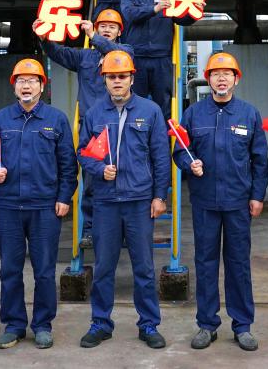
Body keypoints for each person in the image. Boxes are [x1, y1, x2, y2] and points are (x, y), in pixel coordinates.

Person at [172, 52, 268, 351]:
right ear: (208, 80)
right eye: (216, 74)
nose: (222, 78)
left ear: (236, 79)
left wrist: (257, 195)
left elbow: (259, 160)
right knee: (205, 263)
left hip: (238, 202)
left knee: (239, 264)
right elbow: (180, 151)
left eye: (227, 74)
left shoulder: (249, 114)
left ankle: (242, 325)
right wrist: (189, 165)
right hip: (205, 202)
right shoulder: (193, 114)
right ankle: (207, 324)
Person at [77, 50, 171, 350]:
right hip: (105, 202)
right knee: (104, 266)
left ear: (132, 78)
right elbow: (82, 153)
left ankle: (149, 324)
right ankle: (100, 323)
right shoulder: (94, 114)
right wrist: (98, 169)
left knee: (143, 268)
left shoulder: (150, 111)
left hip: (139, 200)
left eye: (122, 76)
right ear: (104, 80)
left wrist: (160, 195)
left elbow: (161, 156)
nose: (117, 81)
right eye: (111, 77)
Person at [0, 59, 78, 350]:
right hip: (9, 207)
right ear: (14, 87)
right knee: (10, 270)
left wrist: (64, 197)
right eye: (21, 81)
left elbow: (68, 164)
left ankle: (42, 325)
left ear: (42, 86)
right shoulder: (1, 119)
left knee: (44, 271)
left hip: (44, 207)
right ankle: (14, 325)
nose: (26, 86)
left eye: (32, 80)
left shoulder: (56, 119)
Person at [36, 9, 131, 245]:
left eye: (112, 27)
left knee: (124, 177)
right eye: (102, 26)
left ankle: (123, 230)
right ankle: (90, 229)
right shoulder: (84, 57)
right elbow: (58, 53)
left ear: (119, 32)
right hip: (92, 127)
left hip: (121, 124)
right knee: (91, 179)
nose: (107, 30)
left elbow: (113, 51)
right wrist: (44, 38)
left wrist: (93, 36)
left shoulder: (125, 53)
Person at [120, 0, 200, 119]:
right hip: (137, 59)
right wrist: (155, 9)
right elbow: (130, 15)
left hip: (162, 59)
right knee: (135, 103)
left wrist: (194, 13)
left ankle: (163, 135)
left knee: (164, 104)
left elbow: (179, 18)